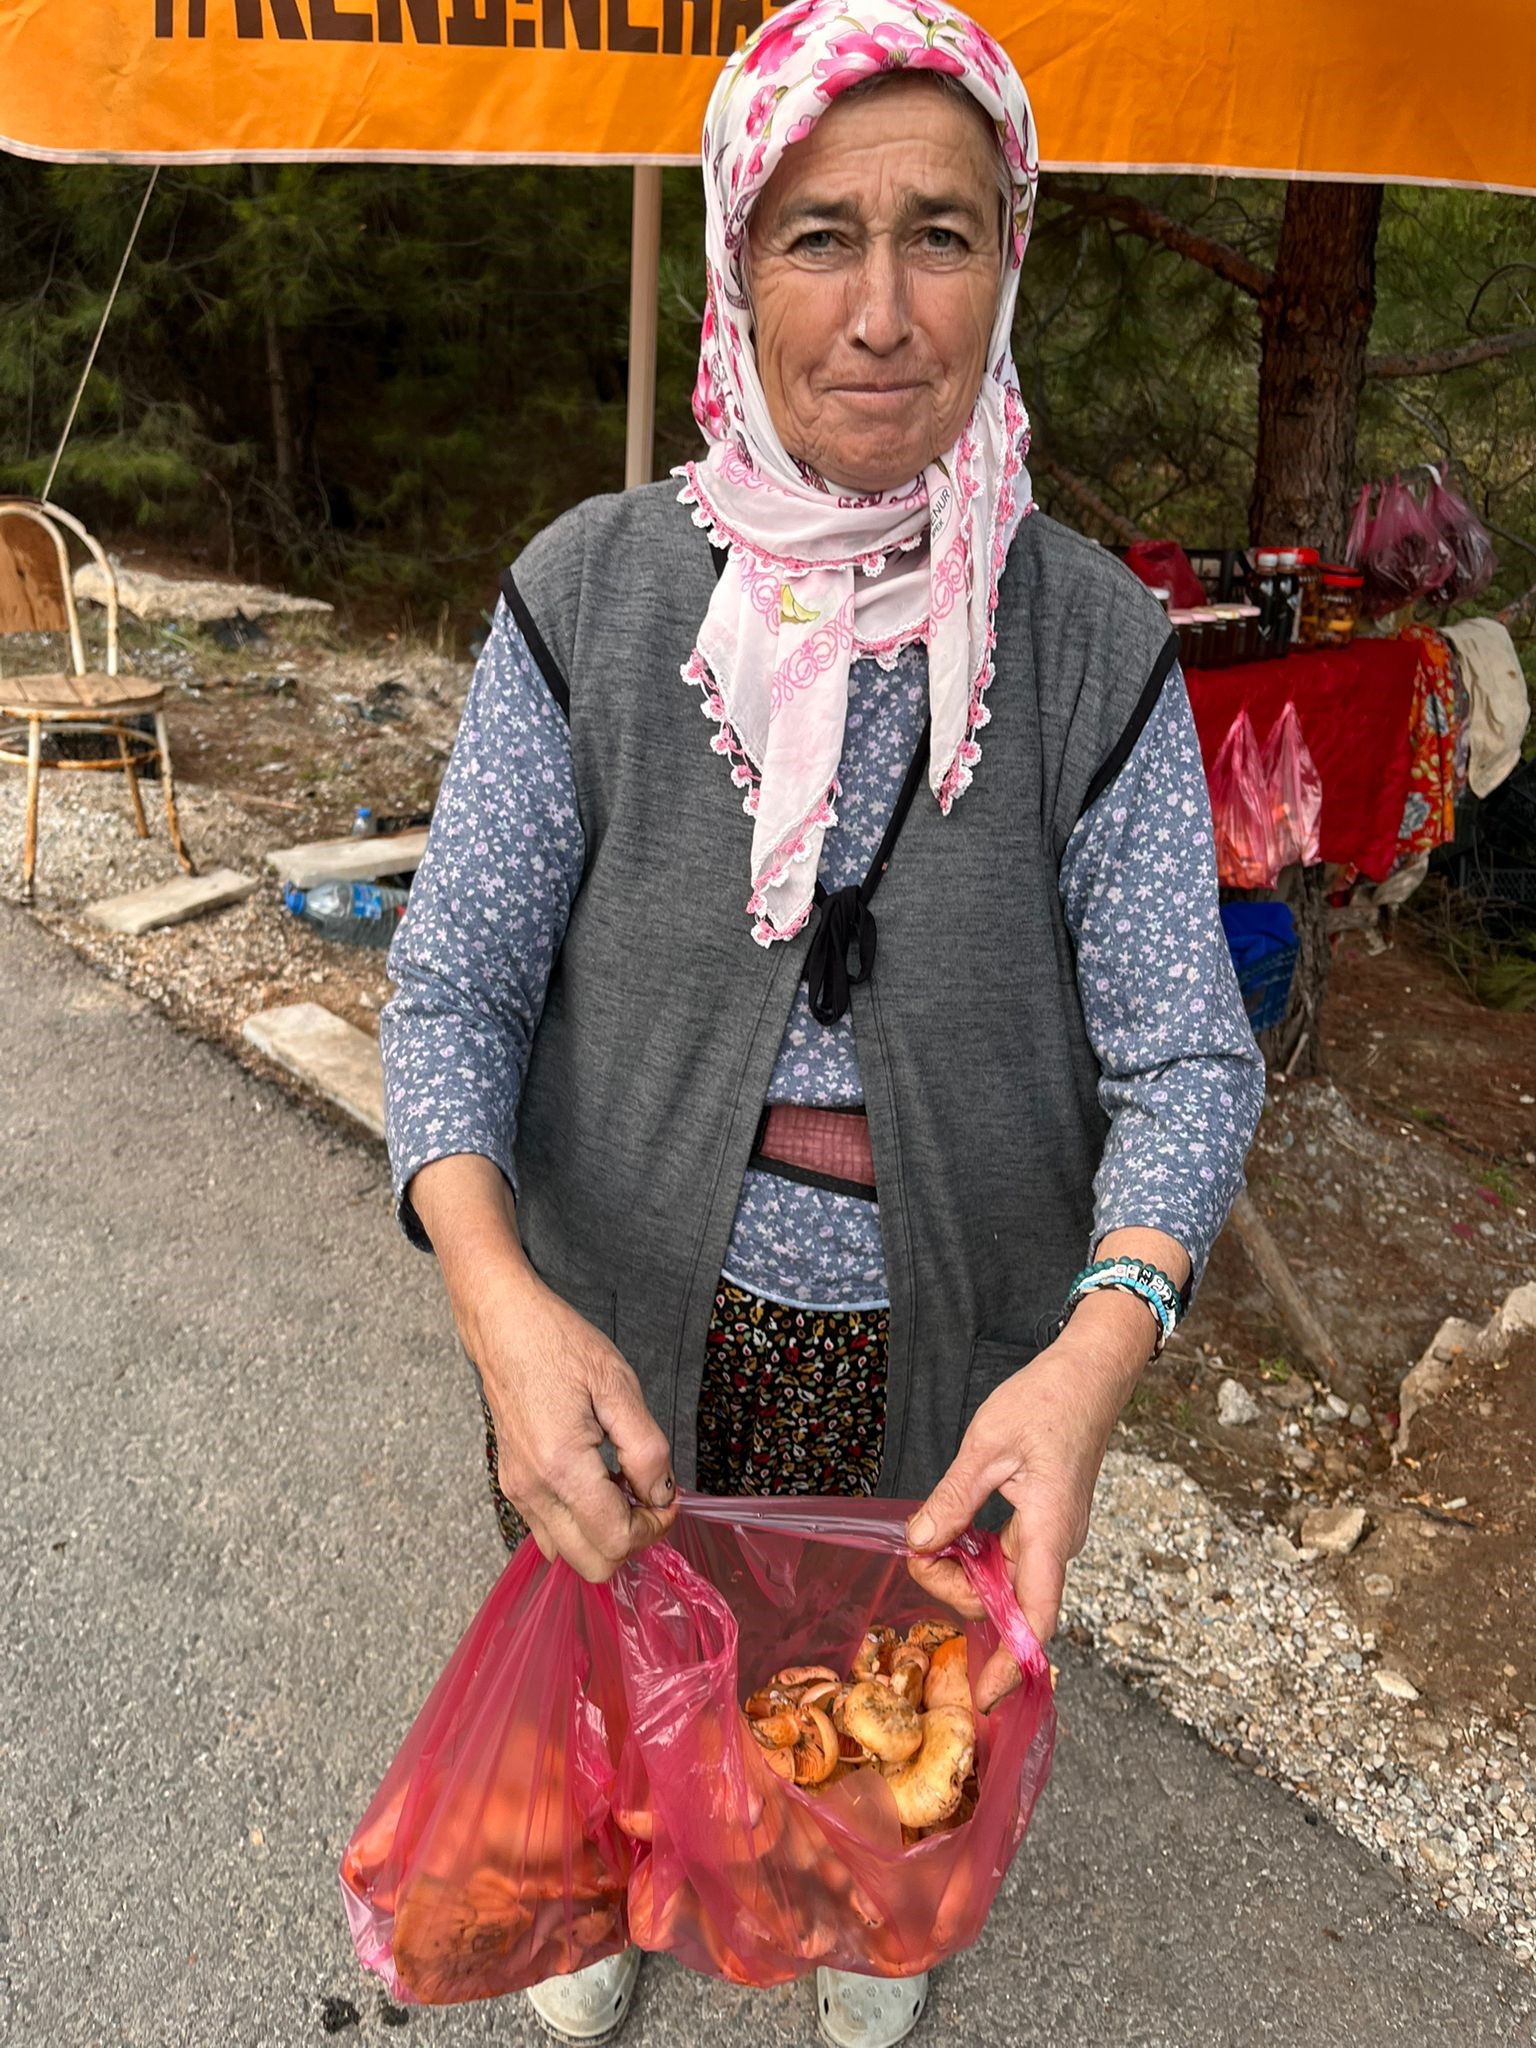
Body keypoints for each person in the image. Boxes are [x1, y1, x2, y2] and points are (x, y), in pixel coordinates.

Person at [380, 1, 1264, 2039]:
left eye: (941, 235)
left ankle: (867, 1911)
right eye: (818, 234)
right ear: (733, 266)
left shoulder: (1089, 643)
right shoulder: (591, 596)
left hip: (953, 1363)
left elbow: (1182, 1059)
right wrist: (499, 1303)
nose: (881, 310)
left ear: (1008, 265)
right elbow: (454, 987)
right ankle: (610, 1871)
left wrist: (1094, 1355)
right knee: (630, 1656)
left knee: (873, 1763)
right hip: (622, 1316)